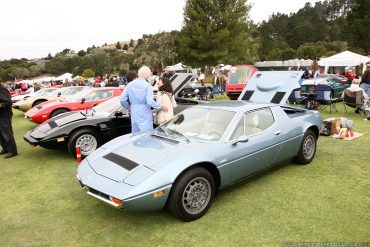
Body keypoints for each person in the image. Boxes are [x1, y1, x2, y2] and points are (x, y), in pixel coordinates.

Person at [120, 66, 168, 134]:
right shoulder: (147, 85)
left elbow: (122, 100)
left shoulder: (130, 84)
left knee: (135, 137)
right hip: (145, 113)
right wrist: (161, 106)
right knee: (146, 136)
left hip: (134, 112)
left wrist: (129, 106)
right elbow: (150, 102)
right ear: (148, 75)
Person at [0, 82, 18, 158]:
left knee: (6, 133)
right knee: (0, 134)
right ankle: (5, 148)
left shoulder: (2, 90)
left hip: (4, 115)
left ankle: (12, 151)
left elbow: (8, 102)